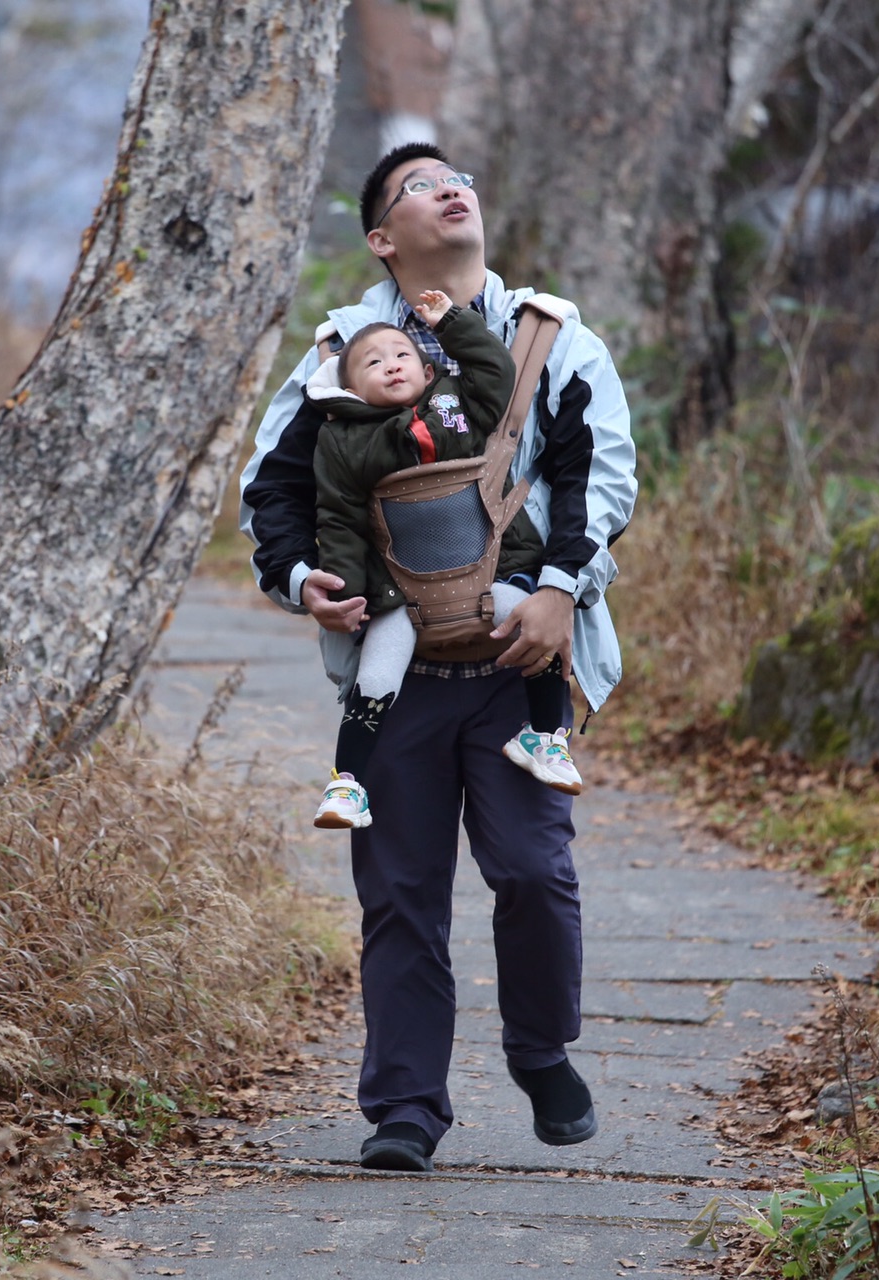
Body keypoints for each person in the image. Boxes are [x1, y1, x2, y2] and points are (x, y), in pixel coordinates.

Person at [239, 142, 637, 1172]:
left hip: (518, 664)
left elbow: (604, 477)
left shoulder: (552, 338)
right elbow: (275, 491)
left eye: (454, 177)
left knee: (536, 872)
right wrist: (299, 580)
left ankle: (541, 1049)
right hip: (400, 671)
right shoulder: (341, 353)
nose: (446, 187)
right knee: (401, 894)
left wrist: (561, 589)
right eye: (415, 186)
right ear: (382, 238)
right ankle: (405, 1108)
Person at [307, 286, 580, 833]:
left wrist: (450, 322)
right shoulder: (343, 441)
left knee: (534, 625)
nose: (390, 365)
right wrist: (346, 591)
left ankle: (545, 737)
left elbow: (496, 374)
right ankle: (348, 781)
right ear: (348, 387)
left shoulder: (455, 403)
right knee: (376, 673)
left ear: (428, 371)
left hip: (488, 572)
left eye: (402, 354)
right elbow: (337, 518)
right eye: (372, 362)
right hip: (401, 595)